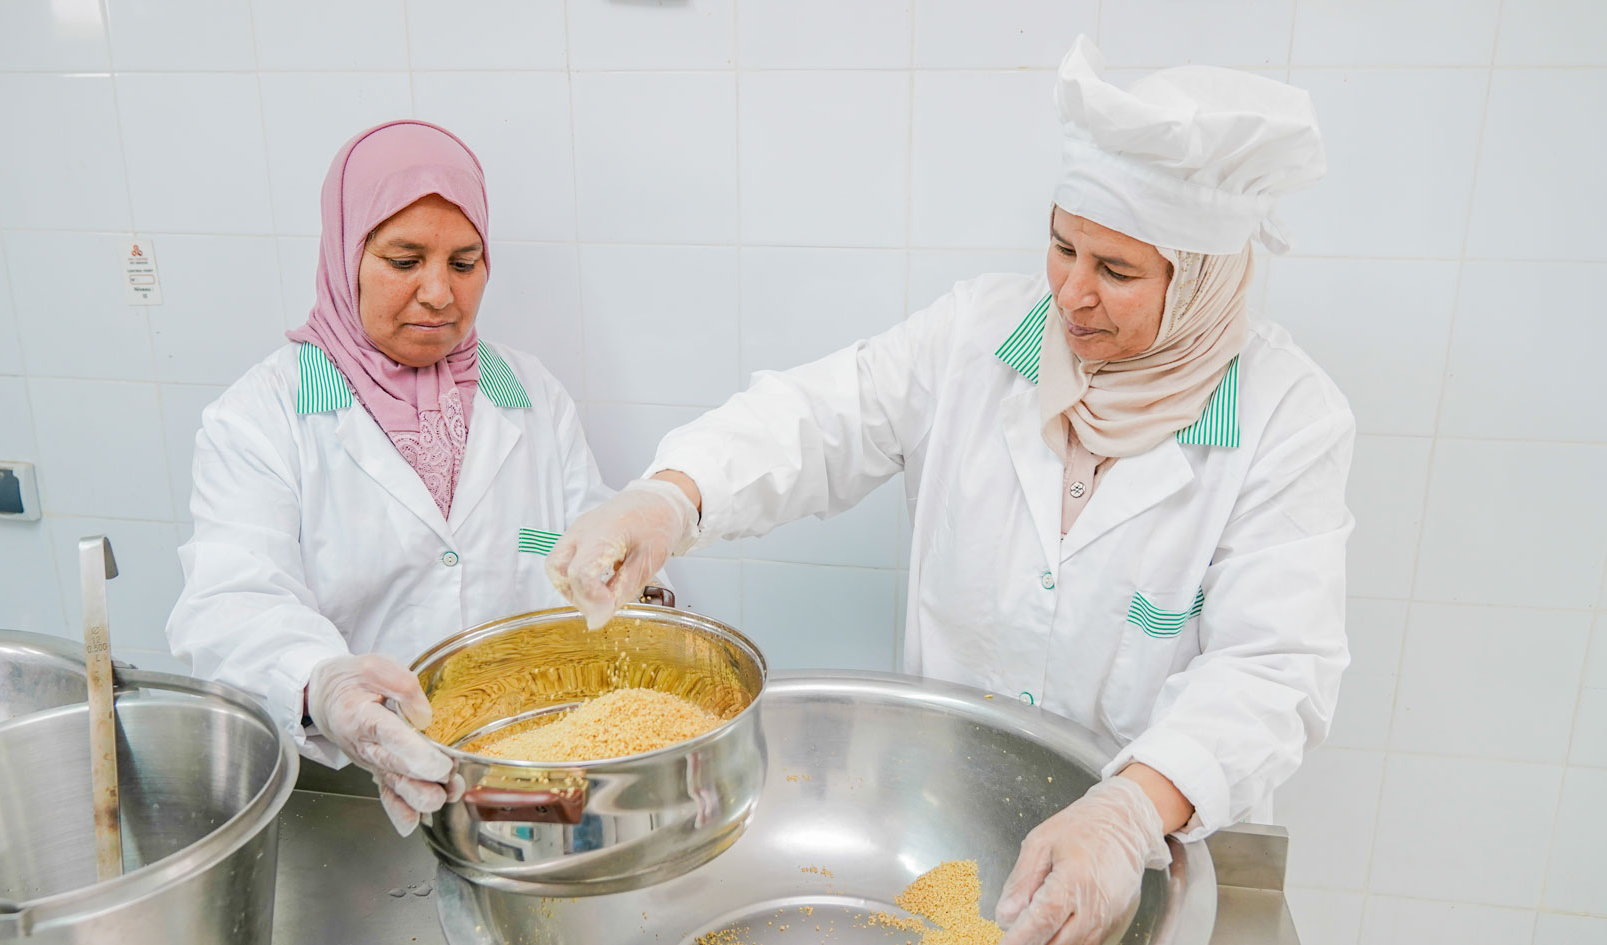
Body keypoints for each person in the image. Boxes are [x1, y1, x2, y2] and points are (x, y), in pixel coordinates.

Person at [544, 37, 1351, 945]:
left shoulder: (1286, 418)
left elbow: (1275, 668)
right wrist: (673, 495)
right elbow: (821, 416)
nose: (1072, 294)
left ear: (1200, 282)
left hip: (1135, 849)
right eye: (1061, 246)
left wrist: (1127, 808)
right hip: (943, 822)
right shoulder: (980, 335)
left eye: (1117, 271)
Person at [167, 120, 611, 835]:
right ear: (346, 255)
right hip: (352, 797)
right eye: (404, 259)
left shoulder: (529, 395)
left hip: (529, 782)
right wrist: (327, 689)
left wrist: (622, 578)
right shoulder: (263, 416)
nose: (439, 293)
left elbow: (586, 542)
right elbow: (230, 602)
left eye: (464, 264)